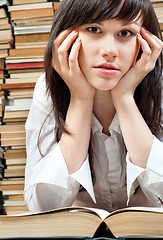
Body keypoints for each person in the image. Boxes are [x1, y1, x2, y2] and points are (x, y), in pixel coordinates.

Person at [24, 0, 163, 213]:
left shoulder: (159, 89)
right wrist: (80, 100)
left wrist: (124, 97)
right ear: (64, 37)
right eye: (93, 29)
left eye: (125, 33)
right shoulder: (47, 91)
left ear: (147, 42)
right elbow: (42, 207)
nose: (109, 51)